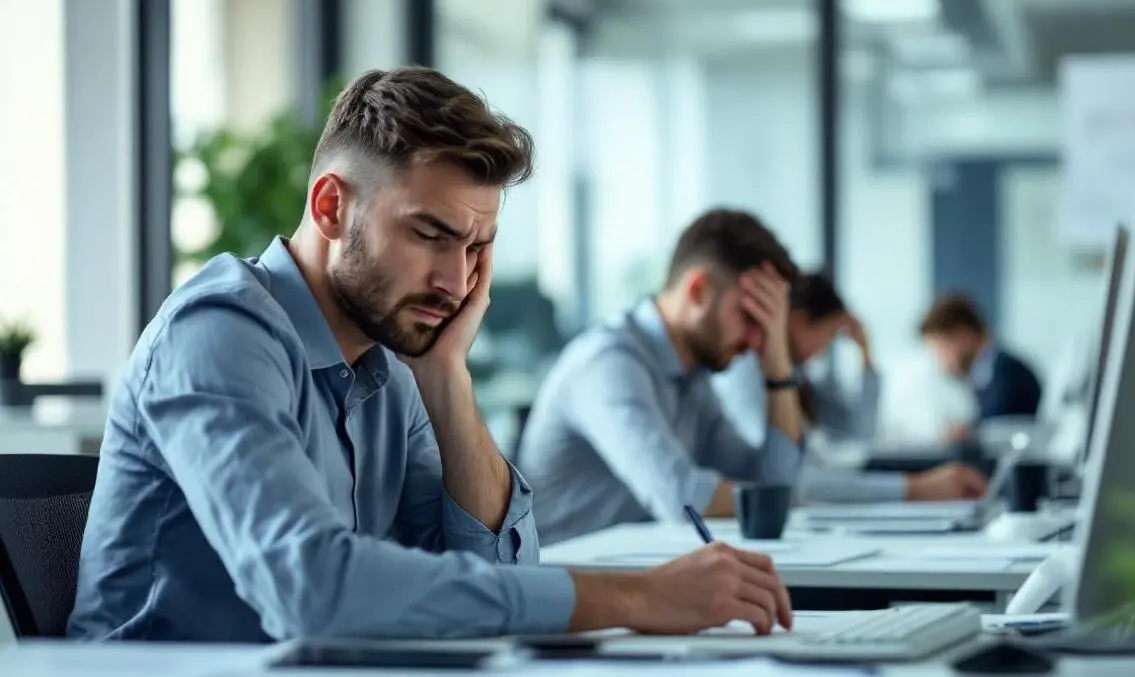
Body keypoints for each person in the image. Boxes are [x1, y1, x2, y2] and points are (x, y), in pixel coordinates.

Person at [68, 68, 793, 642]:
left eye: (476, 247)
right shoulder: (220, 333)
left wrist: (447, 377)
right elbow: (312, 588)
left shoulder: (394, 361)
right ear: (330, 208)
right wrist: (635, 596)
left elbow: (488, 575)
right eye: (430, 235)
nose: (456, 281)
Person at [519, 209, 809, 545]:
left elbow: (774, 479)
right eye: (750, 317)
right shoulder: (607, 364)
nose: (758, 340)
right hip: (566, 580)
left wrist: (778, 366)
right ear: (698, 290)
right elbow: (682, 499)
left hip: (634, 574)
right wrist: (774, 498)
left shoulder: (692, 379)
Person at [711, 273, 987, 503]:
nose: (826, 348)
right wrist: (916, 488)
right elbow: (792, 482)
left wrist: (865, 356)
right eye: (829, 335)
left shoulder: (799, 379)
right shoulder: (747, 374)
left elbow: (860, 431)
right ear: (799, 323)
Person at [919, 294, 1043, 442]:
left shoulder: (1008, 373)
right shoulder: (988, 371)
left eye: (941, 348)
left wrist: (970, 433)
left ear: (963, 335)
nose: (940, 360)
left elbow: (1001, 429)